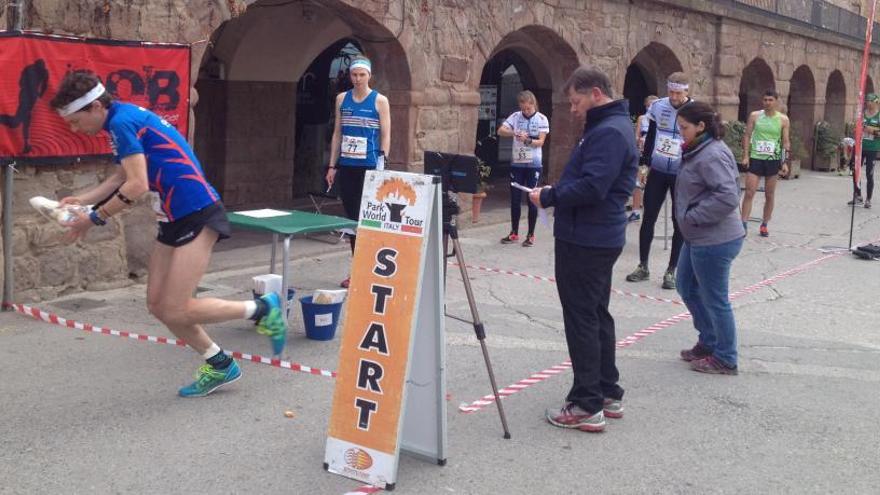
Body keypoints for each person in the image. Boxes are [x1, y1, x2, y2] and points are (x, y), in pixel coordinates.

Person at [51, 71, 288, 398]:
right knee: (158, 306)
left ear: (93, 107)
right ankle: (219, 363)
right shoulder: (121, 118)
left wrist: (94, 217)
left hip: (197, 211)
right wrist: (85, 199)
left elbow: (137, 185)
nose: (76, 130)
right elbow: (123, 174)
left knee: (177, 307)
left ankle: (263, 309)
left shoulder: (121, 122)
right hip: (173, 215)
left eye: (76, 122)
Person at [529, 66, 637, 433]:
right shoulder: (610, 127)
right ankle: (607, 389)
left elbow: (593, 187)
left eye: (575, 102)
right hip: (595, 235)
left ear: (595, 93)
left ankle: (587, 403)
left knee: (582, 319)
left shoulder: (608, 131)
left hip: (588, 237)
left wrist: (549, 195)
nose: (572, 110)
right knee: (595, 313)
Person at [674, 101, 745, 375]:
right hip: (697, 235)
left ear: (701, 126)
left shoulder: (711, 154)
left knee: (715, 298)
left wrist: (693, 215)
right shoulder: (697, 149)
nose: (680, 132)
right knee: (687, 287)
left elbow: (727, 196)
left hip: (715, 238)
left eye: (684, 128)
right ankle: (709, 340)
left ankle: (726, 357)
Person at [325, 56, 391, 288]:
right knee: (352, 220)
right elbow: (337, 133)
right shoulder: (342, 98)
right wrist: (332, 166)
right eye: (354, 75)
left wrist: (382, 166)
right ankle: (357, 270)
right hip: (348, 166)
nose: (358, 79)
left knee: (369, 218)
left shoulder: (379, 100)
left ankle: (373, 268)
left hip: (369, 166)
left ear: (369, 76)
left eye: (362, 75)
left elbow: (385, 134)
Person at [626, 73, 692, 290]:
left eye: (678, 93)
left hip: (682, 173)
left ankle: (672, 270)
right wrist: (644, 164)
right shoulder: (658, 107)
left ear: (686, 92)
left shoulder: (695, 110)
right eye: (671, 92)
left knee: (678, 221)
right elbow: (652, 135)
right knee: (648, 217)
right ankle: (643, 266)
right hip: (659, 170)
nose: (673, 96)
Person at [497, 90, 550, 247]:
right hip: (517, 162)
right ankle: (514, 232)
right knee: (514, 198)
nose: (526, 111)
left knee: (531, 198)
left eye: (528, 108)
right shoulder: (515, 116)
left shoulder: (541, 119)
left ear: (533, 104)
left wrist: (527, 140)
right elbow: (500, 130)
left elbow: (541, 141)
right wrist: (514, 132)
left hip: (533, 163)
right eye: (523, 108)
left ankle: (531, 235)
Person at [740, 90, 791, 237]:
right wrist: (745, 156)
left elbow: (785, 142)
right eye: (765, 100)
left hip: (772, 159)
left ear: (776, 101)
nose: (767, 102)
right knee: (750, 192)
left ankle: (764, 224)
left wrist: (785, 162)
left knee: (769, 194)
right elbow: (747, 135)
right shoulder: (755, 116)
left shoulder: (783, 119)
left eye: (770, 100)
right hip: (756, 157)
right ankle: (743, 223)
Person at [0, 59, 49, 154]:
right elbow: (22, 82)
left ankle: (26, 144)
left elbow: (44, 85)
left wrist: (38, 93)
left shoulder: (42, 71)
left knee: (26, 120)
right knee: (17, 122)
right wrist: (33, 91)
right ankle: (26, 144)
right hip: (26, 96)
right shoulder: (32, 69)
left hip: (31, 97)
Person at [630, 94, 658, 222]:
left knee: (653, 184)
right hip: (645, 153)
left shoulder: (662, 120)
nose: (651, 108)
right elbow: (636, 135)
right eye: (649, 105)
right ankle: (635, 211)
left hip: (657, 155)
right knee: (639, 181)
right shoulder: (642, 118)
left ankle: (651, 211)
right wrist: (639, 140)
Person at [850, 93, 880, 209]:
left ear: (876, 102)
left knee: (869, 174)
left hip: (872, 148)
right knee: (855, 170)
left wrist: (871, 130)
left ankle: (868, 199)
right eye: (866, 100)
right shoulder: (862, 114)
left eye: (870, 101)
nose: (867, 103)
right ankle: (857, 195)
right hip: (860, 147)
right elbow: (856, 127)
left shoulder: (878, 116)